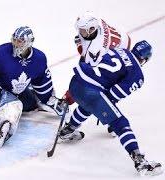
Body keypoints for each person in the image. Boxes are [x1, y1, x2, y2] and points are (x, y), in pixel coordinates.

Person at [58, 40, 162, 176]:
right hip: (92, 92)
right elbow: (115, 93)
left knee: (89, 105)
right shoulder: (137, 74)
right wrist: (106, 109)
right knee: (121, 124)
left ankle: (68, 129)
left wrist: (102, 104)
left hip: (76, 82)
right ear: (145, 59)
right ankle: (140, 162)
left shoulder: (120, 50)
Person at [64, 11, 131, 105]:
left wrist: (70, 94)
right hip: (122, 37)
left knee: (92, 76)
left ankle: (71, 98)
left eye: (82, 30)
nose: (80, 32)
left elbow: (86, 74)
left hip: (121, 49)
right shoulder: (96, 21)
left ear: (91, 29)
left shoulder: (95, 49)